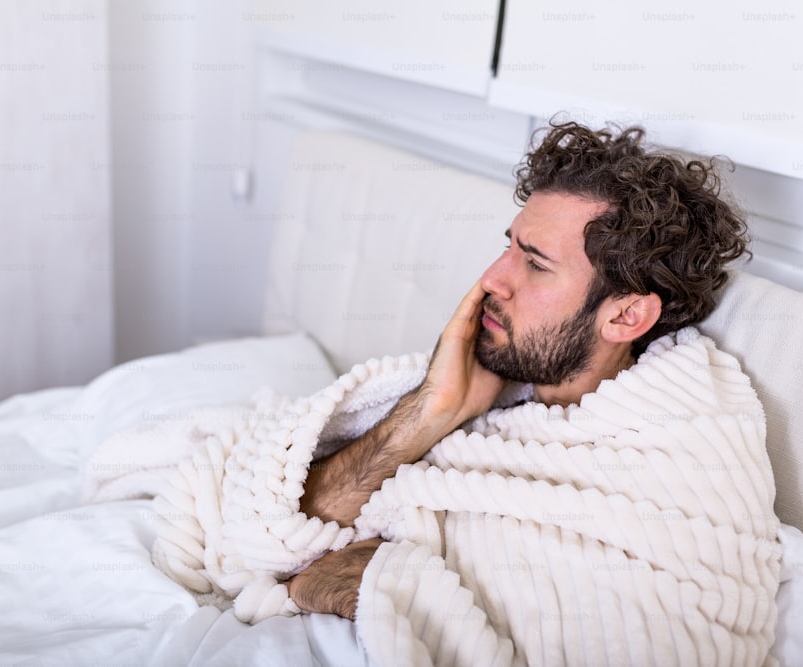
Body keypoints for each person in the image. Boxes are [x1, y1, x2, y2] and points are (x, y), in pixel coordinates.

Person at [287, 120, 751, 620]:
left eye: (535, 263)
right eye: (509, 246)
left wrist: (343, 575)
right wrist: (430, 410)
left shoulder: (676, 464)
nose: (491, 279)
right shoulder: (493, 387)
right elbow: (286, 529)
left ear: (625, 316)